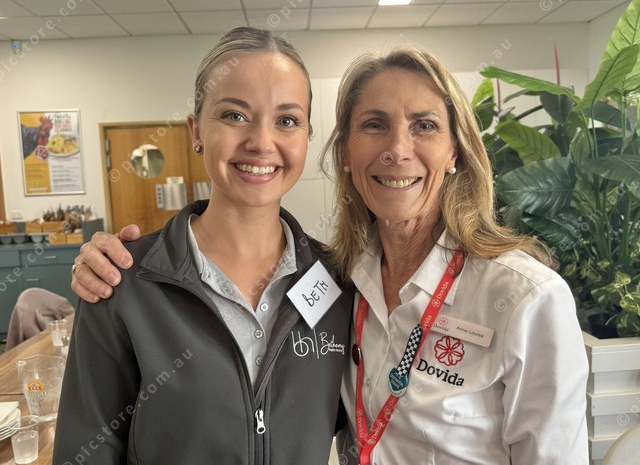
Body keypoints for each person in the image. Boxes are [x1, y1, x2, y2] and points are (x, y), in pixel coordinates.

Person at [72, 44, 589, 464]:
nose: (398, 149)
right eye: (234, 115)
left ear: (455, 149)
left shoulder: (518, 297)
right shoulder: (348, 280)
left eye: (425, 125)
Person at [53, 27, 351, 465]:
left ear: (307, 135)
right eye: (234, 115)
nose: (261, 142)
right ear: (196, 131)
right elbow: (86, 449)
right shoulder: (122, 281)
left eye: (287, 120)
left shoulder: (339, 281)